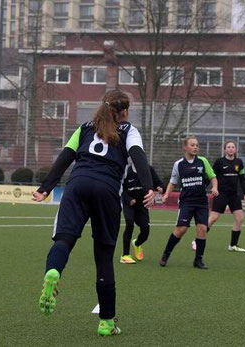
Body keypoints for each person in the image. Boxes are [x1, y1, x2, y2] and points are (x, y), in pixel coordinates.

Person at [32, 90, 155, 336]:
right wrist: (149, 186)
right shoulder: (128, 129)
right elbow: (138, 156)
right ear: (124, 112)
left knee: (64, 239)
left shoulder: (85, 128)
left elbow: (65, 157)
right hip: (107, 191)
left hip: (77, 185)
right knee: (104, 257)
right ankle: (107, 322)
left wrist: (45, 188)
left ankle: (53, 271)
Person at [159, 136, 218, 269]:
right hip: (186, 202)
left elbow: (213, 177)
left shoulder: (202, 161)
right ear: (185, 147)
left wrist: (214, 187)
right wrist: (166, 194)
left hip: (201, 201)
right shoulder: (178, 164)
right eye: (192, 145)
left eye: (196, 145)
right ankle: (166, 254)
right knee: (181, 229)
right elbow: (173, 182)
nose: (195, 147)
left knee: (202, 228)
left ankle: (198, 260)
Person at [200, 140, 245, 252]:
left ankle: (233, 245)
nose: (231, 149)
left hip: (234, 195)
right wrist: (204, 187)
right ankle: (198, 240)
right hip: (221, 194)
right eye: (228, 147)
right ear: (225, 149)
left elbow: (242, 179)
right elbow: (211, 176)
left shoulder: (239, 162)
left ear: (235, 149)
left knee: (240, 218)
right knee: (213, 218)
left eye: (233, 147)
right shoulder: (219, 162)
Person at [119, 162, 163, 264]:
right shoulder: (127, 171)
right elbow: (122, 189)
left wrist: (160, 188)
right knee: (129, 224)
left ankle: (137, 243)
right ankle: (125, 255)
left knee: (145, 230)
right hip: (129, 204)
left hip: (142, 204)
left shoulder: (148, 169)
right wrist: (129, 199)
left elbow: (158, 183)